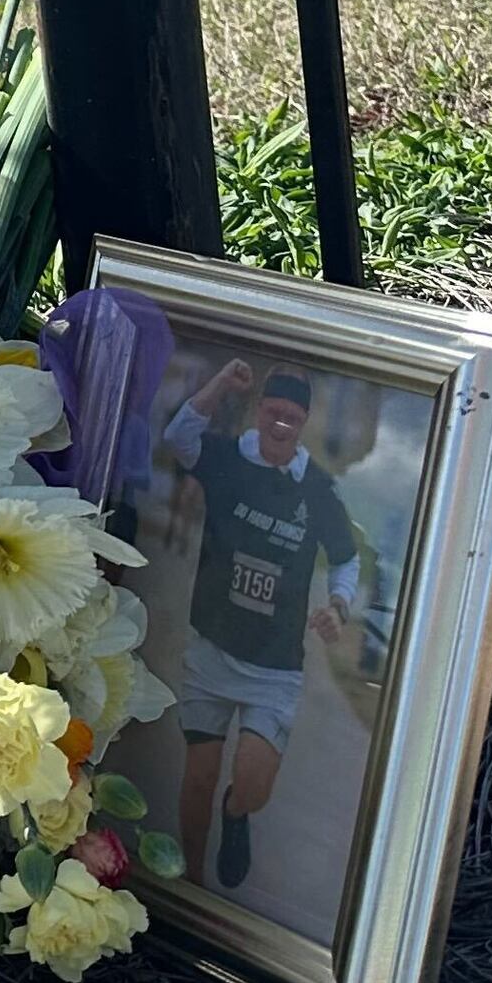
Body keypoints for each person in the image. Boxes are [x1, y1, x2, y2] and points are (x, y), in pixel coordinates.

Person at [156, 360, 359, 893]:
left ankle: (237, 813)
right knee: (197, 777)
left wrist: (338, 606)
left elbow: (346, 556)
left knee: (251, 784)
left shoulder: (316, 489)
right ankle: (192, 884)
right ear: (259, 411)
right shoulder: (227, 460)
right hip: (211, 649)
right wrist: (220, 382)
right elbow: (179, 437)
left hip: (274, 666)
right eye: (273, 412)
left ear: (305, 422)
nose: (281, 424)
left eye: (293, 417)